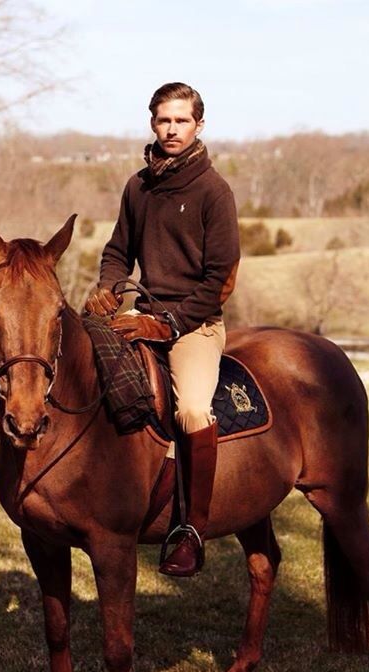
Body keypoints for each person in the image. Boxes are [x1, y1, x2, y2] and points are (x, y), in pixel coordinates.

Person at [85, 82, 240, 576]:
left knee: (191, 408)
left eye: (181, 121)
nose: (171, 129)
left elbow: (219, 279)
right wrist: (109, 287)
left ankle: (190, 530)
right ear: (152, 123)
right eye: (163, 120)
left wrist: (169, 322)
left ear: (199, 125)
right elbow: (117, 251)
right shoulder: (139, 186)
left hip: (194, 325)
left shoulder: (214, 191)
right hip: (141, 313)